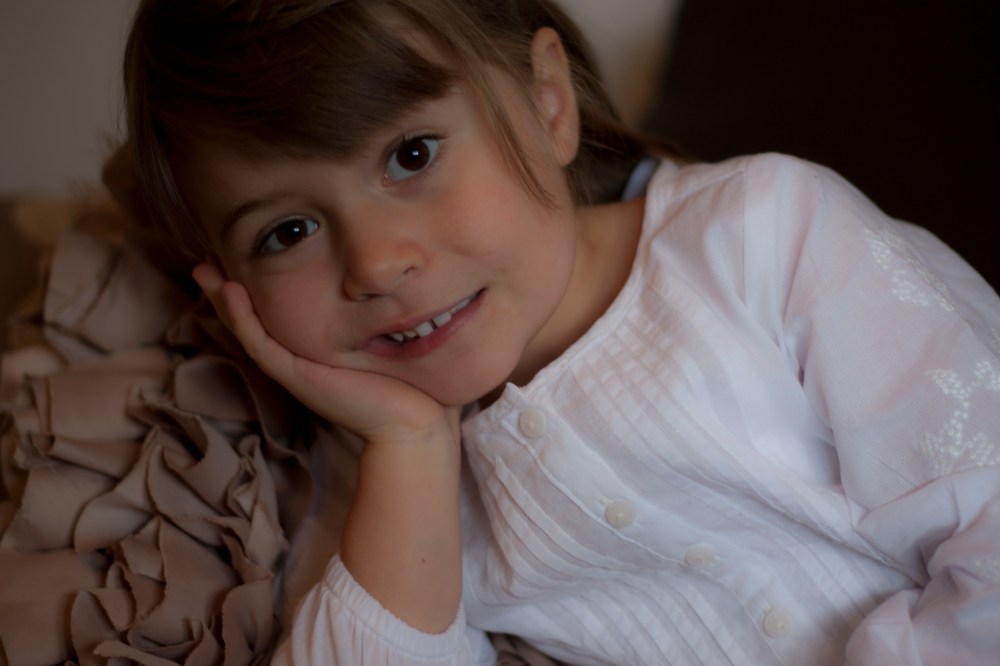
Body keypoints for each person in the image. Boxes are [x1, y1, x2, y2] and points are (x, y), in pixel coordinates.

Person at [122, 0, 1000, 663]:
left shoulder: (764, 234)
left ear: (548, 102)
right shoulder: (382, 487)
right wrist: (410, 450)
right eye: (287, 233)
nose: (377, 264)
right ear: (229, 286)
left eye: (411, 155)